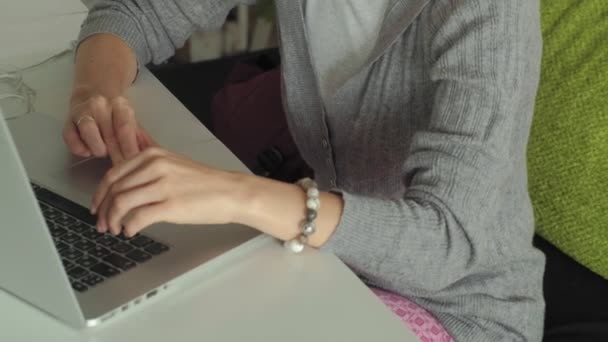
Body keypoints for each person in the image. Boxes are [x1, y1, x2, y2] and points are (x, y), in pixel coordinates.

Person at [64, 1, 545, 340]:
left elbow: (447, 242)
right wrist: (94, 95)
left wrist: (237, 195)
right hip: (331, 263)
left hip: (454, 307)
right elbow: (140, 11)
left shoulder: (493, 9)